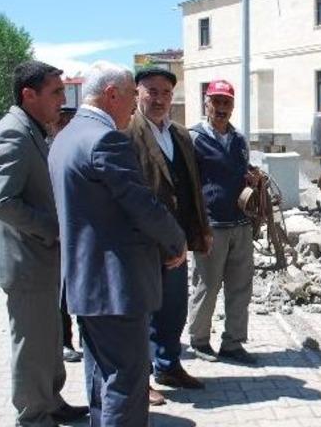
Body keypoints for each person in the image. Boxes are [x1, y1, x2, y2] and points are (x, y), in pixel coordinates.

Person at [48, 61, 187, 426]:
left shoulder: (67, 136)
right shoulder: (105, 139)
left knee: (101, 378)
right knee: (125, 382)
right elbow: (141, 203)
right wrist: (176, 241)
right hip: (116, 287)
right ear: (112, 95)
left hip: (85, 283)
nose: (133, 107)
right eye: (130, 97)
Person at [0, 60, 89, 426]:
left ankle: (50, 401)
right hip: (26, 263)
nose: (63, 99)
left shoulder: (31, 129)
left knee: (48, 339)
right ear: (29, 95)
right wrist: (53, 228)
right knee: (32, 345)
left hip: (40, 261)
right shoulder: (13, 133)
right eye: (56, 92)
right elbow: (2, 202)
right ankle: (33, 416)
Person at [125, 67, 211, 405]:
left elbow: (192, 187)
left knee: (173, 309)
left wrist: (200, 231)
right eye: (152, 91)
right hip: (144, 244)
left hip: (178, 242)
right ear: (138, 94)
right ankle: (140, 380)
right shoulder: (125, 133)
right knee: (142, 313)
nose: (159, 99)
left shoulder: (180, 134)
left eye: (165, 93)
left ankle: (169, 366)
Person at [187, 80, 257, 364]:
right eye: (216, 102)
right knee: (207, 285)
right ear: (206, 103)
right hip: (211, 226)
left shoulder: (239, 140)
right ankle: (199, 340)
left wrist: (252, 178)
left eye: (226, 102)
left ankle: (233, 343)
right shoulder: (192, 138)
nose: (221, 108)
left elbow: (241, 172)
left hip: (241, 224)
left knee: (241, 287)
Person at [46, 105, 85, 364]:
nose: (65, 125)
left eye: (70, 121)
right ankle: (64, 342)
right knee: (61, 294)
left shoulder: (78, 148)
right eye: (61, 120)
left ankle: (87, 337)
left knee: (83, 288)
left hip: (81, 233)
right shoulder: (47, 149)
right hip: (55, 234)